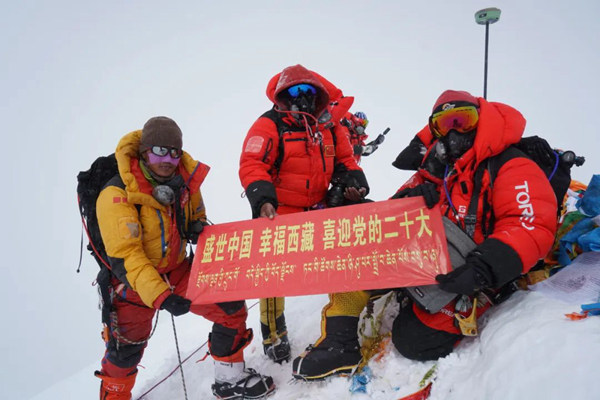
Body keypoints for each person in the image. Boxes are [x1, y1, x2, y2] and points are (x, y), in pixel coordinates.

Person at [94, 117, 274, 400]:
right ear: (144, 153)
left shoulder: (186, 181)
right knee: (125, 350)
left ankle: (229, 380)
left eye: (174, 152)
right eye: (159, 151)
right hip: (131, 284)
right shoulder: (116, 195)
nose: (167, 159)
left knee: (230, 306)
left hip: (178, 271)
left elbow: (197, 213)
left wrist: (196, 226)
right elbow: (127, 256)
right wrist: (161, 296)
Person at [389, 90, 558, 360]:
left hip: (478, 269)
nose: (454, 133)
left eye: (463, 121)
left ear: (481, 121)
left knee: (412, 339)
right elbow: (386, 214)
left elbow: (530, 225)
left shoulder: (510, 165)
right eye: (444, 125)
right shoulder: (436, 166)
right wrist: (409, 200)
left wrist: (483, 269)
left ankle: (489, 296)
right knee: (364, 274)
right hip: (435, 257)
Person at [238, 64, 370, 368]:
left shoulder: (330, 128)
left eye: (309, 90)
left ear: (319, 95)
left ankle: (341, 323)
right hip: (278, 212)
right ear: (283, 95)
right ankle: (274, 337)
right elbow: (252, 163)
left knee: (340, 258)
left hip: (318, 210)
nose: (303, 97)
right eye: (295, 91)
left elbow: (346, 162)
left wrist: (355, 185)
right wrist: (262, 200)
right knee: (272, 278)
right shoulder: (269, 124)